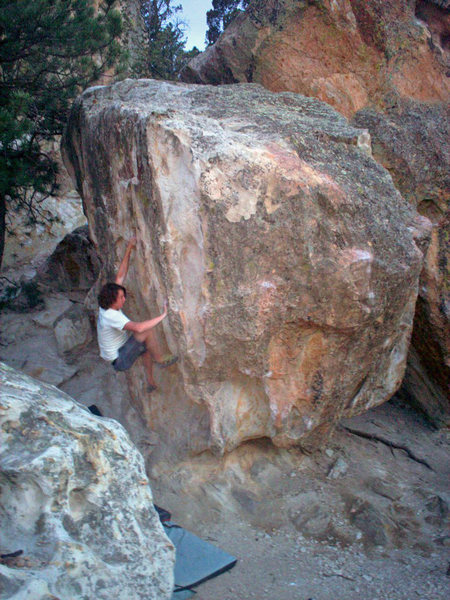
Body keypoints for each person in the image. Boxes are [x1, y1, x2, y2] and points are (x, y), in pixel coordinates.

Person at [97, 237, 177, 392]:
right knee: (146, 332)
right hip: (119, 360)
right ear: (113, 300)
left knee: (145, 346)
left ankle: (150, 382)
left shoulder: (106, 306)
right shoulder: (111, 317)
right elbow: (139, 328)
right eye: (121, 298)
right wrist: (163, 315)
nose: (124, 299)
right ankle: (160, 359)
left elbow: (120, 276)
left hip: (117, 351)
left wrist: (129, 248)